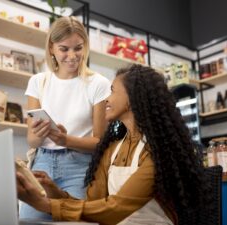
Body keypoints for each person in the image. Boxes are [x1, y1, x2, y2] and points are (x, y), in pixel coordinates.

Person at [17, 64, 211, 225]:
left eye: (112, 91)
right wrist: (52, 190)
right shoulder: (112, 149)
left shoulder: (156, 152)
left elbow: (116, 208)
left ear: (131, 99)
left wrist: (43, 204)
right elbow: (94, 205)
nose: (107, 99)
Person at [21, 16, 111, 220]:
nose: (72, 56)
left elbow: (100, 143)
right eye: (64, 49)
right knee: (29, 221)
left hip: (80, 166)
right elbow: (32, 140)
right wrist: (39, 133)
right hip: (42, 163)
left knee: (74, 222)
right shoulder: (38, 82)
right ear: (51, 48)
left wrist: (66, 140)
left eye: (78, 48)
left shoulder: (98, 84)